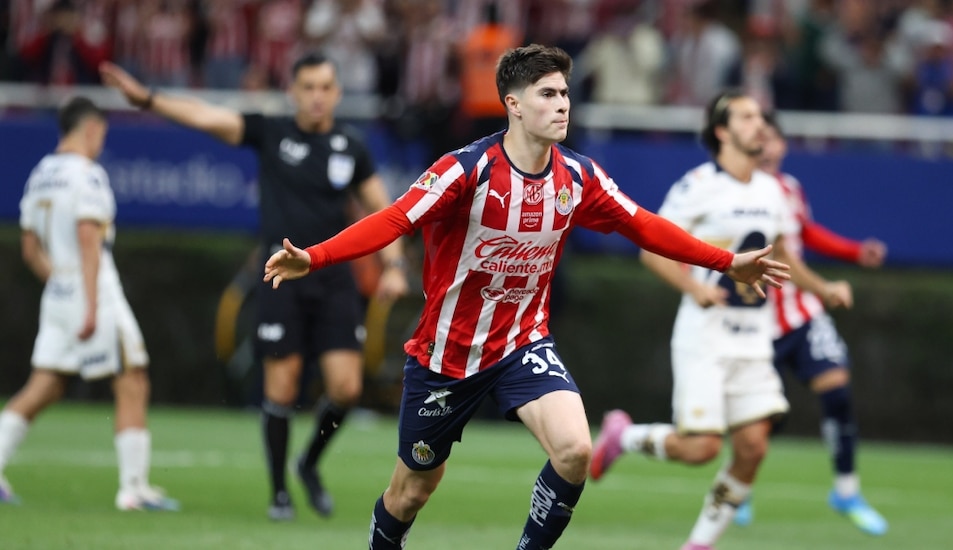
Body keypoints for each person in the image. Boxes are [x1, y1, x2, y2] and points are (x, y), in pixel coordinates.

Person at [262, 44, 790, 550]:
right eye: (546, 94)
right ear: (512, 104)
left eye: (564, 93)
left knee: (575, 449)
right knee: (411, 492)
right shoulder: (465, 170)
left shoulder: (579, 176)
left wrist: (727, 262)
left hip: (522, 344)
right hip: (447, 355)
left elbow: (644, 225)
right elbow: (395, 218)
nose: (561, 104)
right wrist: (316, 256)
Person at [99, 52, 410, 521]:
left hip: (332, 281)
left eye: (325, 86)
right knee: (281, 388)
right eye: (308, 86)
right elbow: (207, 116)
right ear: (293, 92)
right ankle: (279, 490)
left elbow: (383, 212)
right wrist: (147, 99)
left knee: (346, 389)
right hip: (281, 276)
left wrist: (393, 265)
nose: (317, 96)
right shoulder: (272, 132)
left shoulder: (352, 145)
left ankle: (308, 463)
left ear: (338, 93)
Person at [588, 89, 853, 550]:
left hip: (754, 340)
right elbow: (652, 249)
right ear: (722, 131)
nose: (760, 125)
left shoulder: (774, 190)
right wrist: (695, 288)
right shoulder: (697, 186)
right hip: (705, 336)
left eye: (761, 117)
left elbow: (787, 254)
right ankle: (623, 435)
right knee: (702, 449)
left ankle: (698, 544)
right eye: (747, 117)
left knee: (753, 448)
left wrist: (822, 287)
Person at [0, 97, 179, 512]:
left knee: (44, 385)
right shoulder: (89, 176)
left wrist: (60, 283)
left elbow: (29, 248)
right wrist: (91, 304)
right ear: (92, 129)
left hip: (59, 292)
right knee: (132, 377)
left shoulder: (41, 174)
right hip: (93, 291)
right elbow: (88, 238)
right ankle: (133, 489)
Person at [730, 112, 888, 535]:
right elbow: (779, 254)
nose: (768, 144)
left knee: (836, 389)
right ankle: (739, 489)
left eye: (774, 136)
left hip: (801, 312)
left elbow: (804, 235)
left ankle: (847, 490)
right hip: (756, 319)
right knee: (764, 417)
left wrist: (855, 252)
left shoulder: (790, 189)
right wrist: (826, 286)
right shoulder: (736, 190)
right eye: (760, 136)